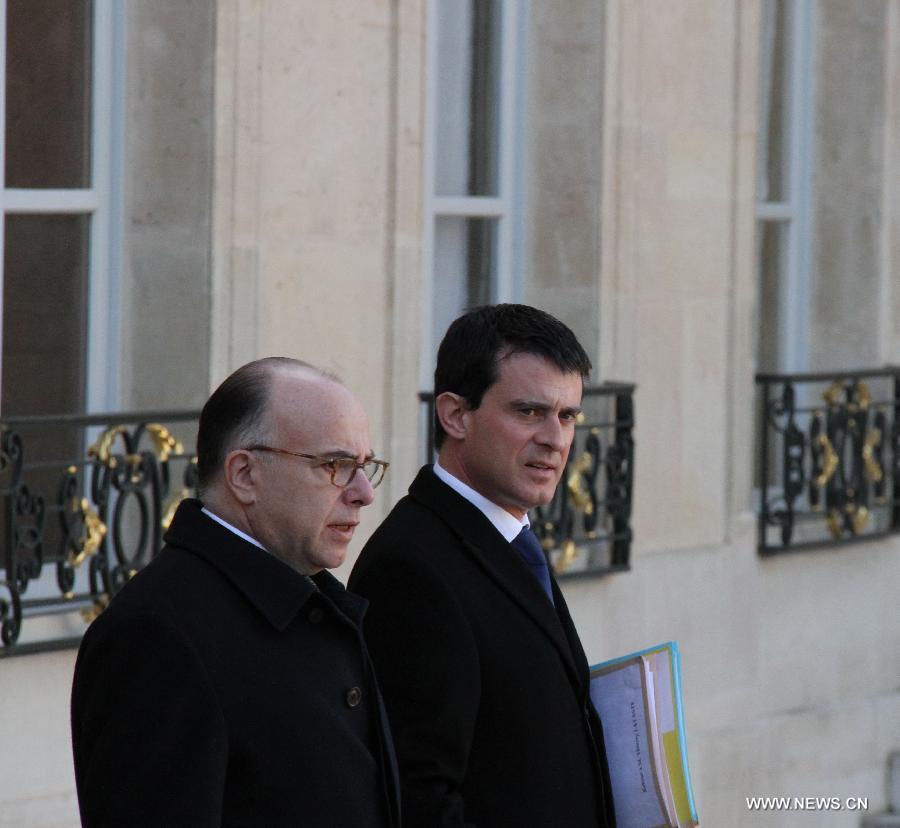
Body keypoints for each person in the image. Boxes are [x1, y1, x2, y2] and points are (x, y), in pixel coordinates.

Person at [71, 357, 400, 827]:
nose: (364, 492)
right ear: (244, 474)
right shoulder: (158, 633)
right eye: (335, 464)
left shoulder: (315, 601)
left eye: (364, 466)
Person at [350, 304, 617, 827]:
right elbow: (419, 799)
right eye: (528, 412)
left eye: (567, 416)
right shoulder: (411, 568)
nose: (555, 439)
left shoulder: (510, 538)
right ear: (455, 415)